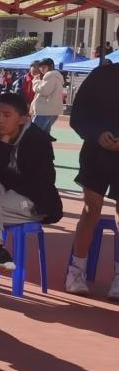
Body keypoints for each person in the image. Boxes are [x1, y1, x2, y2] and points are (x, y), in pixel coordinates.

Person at [0, 92, 62, 297]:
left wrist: (5, 150)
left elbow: (42, 181)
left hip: (33, 201)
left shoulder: (37, 140)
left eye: (7, 115)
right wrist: (1, 148)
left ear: (23, 118)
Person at [64, 57, 119, 298]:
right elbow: (79, 116)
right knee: (90, 209)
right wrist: (97, 134)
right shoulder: (101, 76)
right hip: (96, 154)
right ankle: (77, 269)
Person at [31, 59, 64, 134]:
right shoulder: (56, 76)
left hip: (45, 110)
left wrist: (36, 82)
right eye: (40, 67)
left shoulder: (50, 76)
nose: (42, 69)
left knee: (33, 133)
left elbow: (44, 91)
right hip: (51, 110)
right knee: (45, 135)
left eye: (44, 67)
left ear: (51, 66)